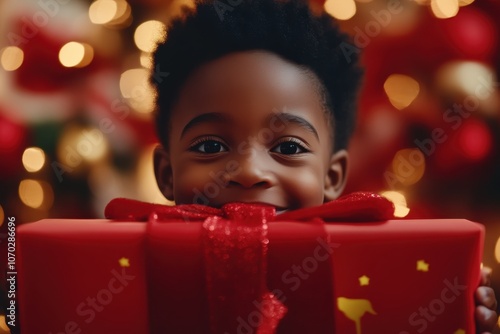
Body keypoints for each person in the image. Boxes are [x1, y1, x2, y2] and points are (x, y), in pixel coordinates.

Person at [150, 0, 498, 331]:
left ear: (332, 177)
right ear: (166, 174)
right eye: (211, 146)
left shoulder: (375, 280)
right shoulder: (135, 275)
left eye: (288, 147)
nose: (249, 171)